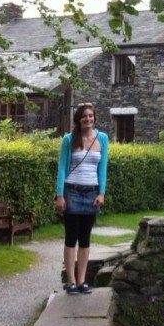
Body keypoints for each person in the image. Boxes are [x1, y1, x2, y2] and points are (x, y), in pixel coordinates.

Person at [55, 102, 109, 295]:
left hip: (92, 192)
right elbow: (62, 168)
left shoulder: (102, 139)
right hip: (72, 192)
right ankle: (71, 282)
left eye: (91, 116)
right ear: (78, 119)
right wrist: (60, 195)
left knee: (85, 239)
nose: (88, 119)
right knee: (71, 238)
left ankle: (82, 280)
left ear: (94, 118)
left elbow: (103, 168)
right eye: (84, 116)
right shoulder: (69, 140)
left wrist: (101, 192)